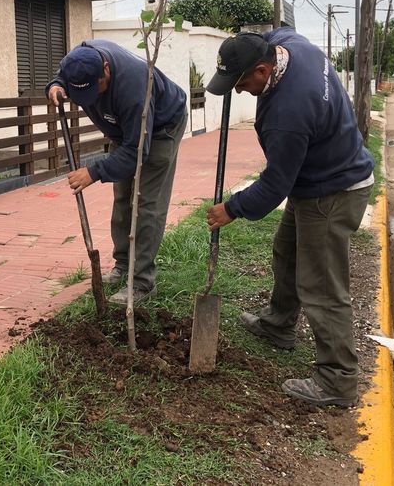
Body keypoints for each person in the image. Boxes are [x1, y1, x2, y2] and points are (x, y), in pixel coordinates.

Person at [205, 28, 373, 408]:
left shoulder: (288, 114)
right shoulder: (291, 46)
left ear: (264, 70)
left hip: (333, 190)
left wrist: (231, 208)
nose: (239, 90)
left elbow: (274, 186)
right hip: (315, 177)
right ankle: (279, 325)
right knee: (287, 252)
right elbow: (271, 31)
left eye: (242, 82)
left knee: (322, 285)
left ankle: (337, 380)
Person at [46, 40, 187, 304]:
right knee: (123, 198)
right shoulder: (77, 61)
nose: (93, 98)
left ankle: (142, 282)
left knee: (146, 203)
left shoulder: (134, 86)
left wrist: (94, 172)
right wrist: (55, 86)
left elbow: (136, 152)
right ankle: (123, 265)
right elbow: (61, 77)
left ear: (106, 69)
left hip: (159, 130)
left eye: (95, 89)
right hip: (124, 132)